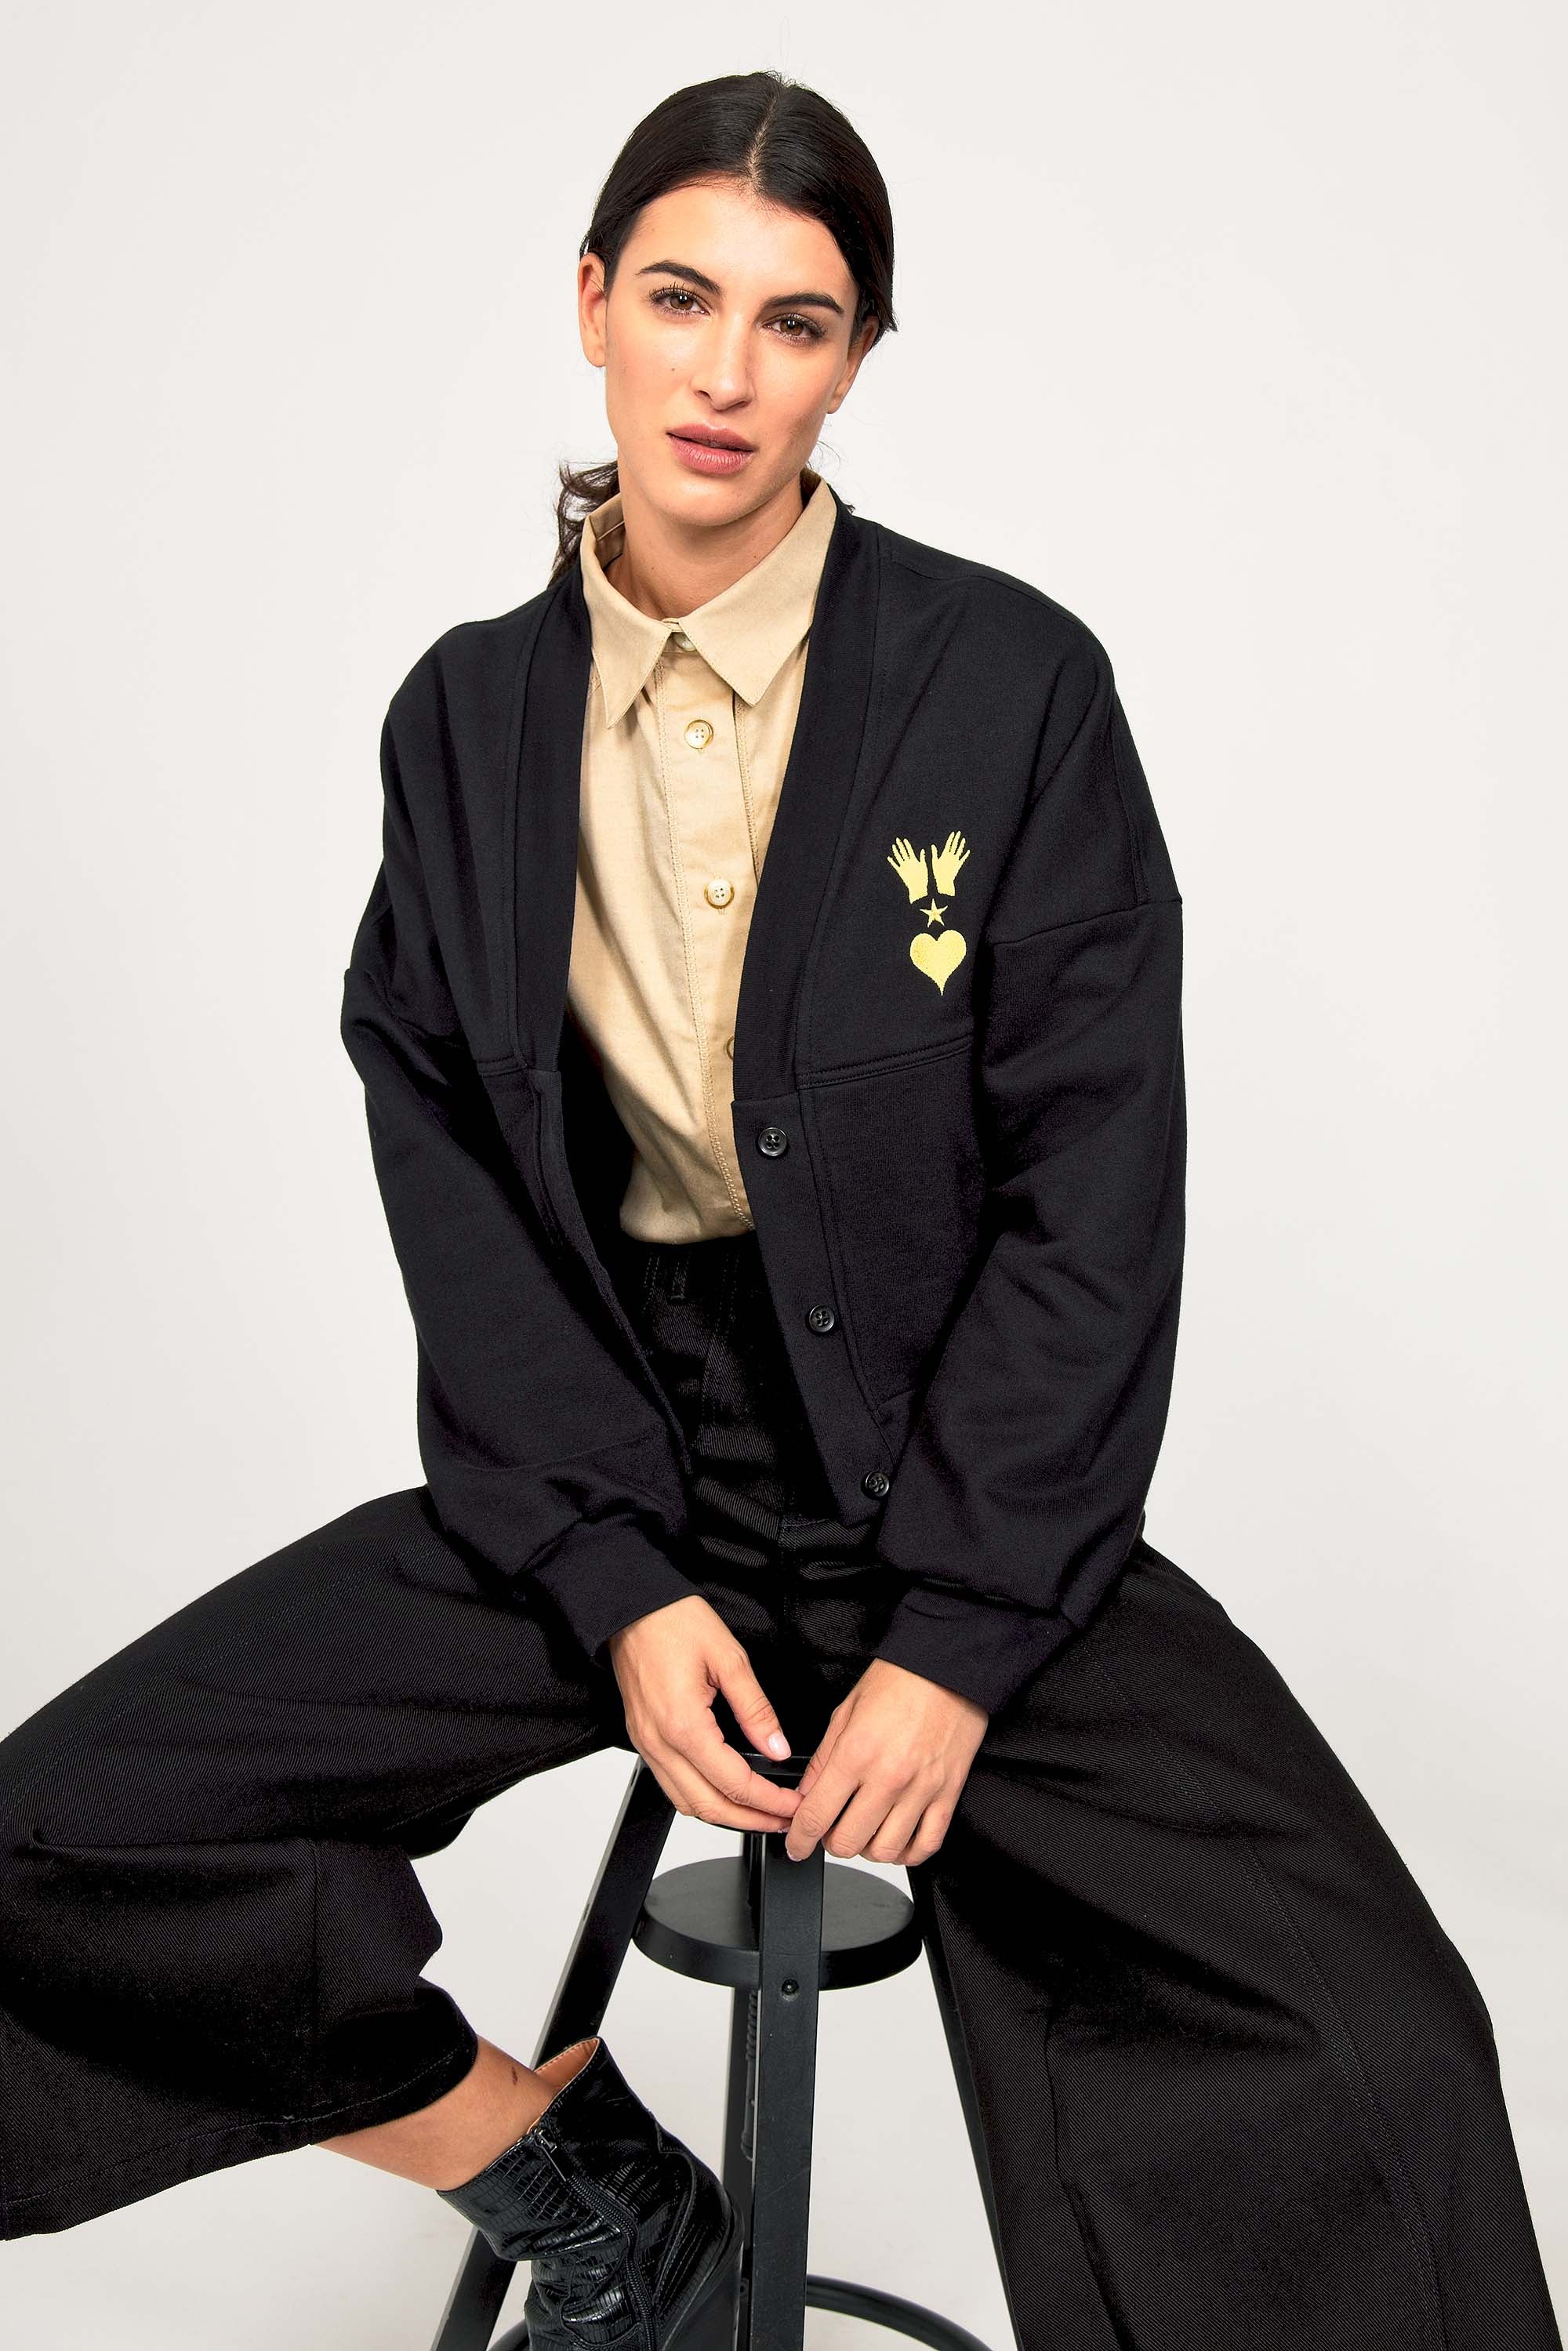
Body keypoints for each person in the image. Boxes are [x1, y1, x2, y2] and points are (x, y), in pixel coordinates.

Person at [0, 65, 1559, 2351]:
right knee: (58, 1836)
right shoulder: (463, 724)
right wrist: (615, 1581)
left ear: (855, 361)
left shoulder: (1008, 687)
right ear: (591, 309)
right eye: (680, 298)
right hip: (611, 1473)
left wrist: (961, 1636)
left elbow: (1093, 1193)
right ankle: (578, 2189)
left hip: (958, 1480)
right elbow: (454, 1174)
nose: (725, 371)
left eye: (796, 321)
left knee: (1378, 2043)